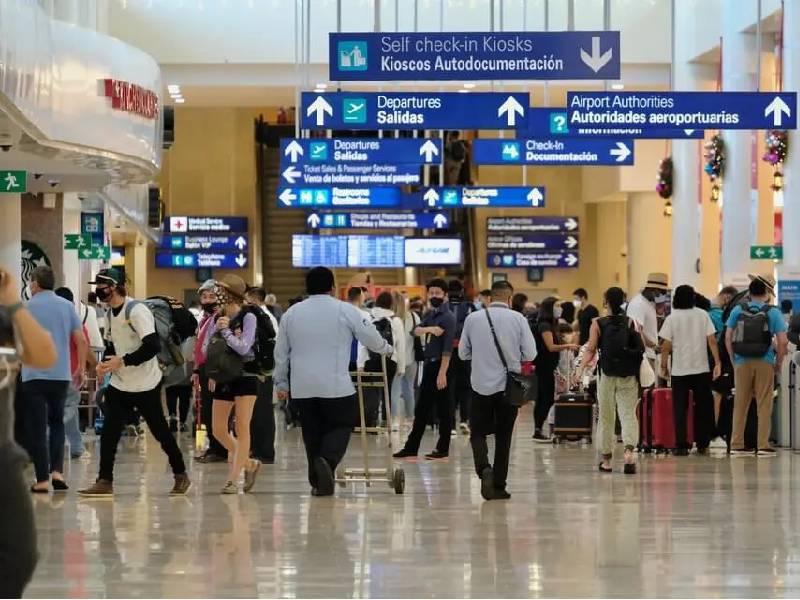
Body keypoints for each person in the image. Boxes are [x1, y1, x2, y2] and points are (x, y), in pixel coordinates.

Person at [273, 267, 392, 496]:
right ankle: (326, 461)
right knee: (342, 424)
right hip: (336, 385)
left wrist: (281, 384)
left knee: (312, 433)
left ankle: (319, 483)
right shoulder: (346, 310)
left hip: (302, 388)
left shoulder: (291, 314)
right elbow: (371, 338)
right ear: (332, 287)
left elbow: (281, 353)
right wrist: (385, 348)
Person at [78, 268, 190, 497]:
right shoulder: (109, 313)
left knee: (160, 431)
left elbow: (152, 346)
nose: (98, 291)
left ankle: (180, 474)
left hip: (146, 384)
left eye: (102, 287)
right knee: (109, 432)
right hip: (121, 383)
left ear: (115, 286)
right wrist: (105, 364)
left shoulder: (136, 311)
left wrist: (123, 361)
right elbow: (112, 345)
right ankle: (104, 480)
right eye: (97, 287)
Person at [0, 266, 57, 598]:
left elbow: (44, 355)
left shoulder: (6, 319)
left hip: (3, 456)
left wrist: (13, 303)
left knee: (19, 556)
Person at [459, 280, 537, 500]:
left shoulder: (473, 319)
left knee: (478, 433)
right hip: (509, 388)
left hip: (480, 386)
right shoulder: (519, 319)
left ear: (490, 298)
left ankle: (484, 469)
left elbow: (463, 353)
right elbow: (530, 354)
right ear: (510, 298)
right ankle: (499, 486)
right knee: (504, 437)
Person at [21, 267, 87, 493]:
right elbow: (80, 340)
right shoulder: (67, 306)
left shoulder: (26, 308)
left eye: (31, 282)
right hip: (60, 375)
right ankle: (57, 472)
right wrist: (80, 368)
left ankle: (41, 480)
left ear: (35, 284)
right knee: (57, 422)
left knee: (38, 427)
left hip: (33, 375)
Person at [579, 287, 644, 474]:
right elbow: (641, 344)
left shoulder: (597, 323)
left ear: (606, 302)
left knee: (606, 416)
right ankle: (629, 454)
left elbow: (591, 349)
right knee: (628, 414)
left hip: (606, 374)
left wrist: (582, 367)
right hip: (628, 375)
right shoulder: (631, 322)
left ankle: (607, 460)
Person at [209, 275, 263, 494]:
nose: (217, 294)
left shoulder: (249, 316)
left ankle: (233, 479)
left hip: (247, 375)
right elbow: (211, 346)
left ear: (231, 294)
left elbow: (244, 348)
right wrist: (217, 332)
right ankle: (249, 463)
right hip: (225, 375)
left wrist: (226, 331)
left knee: (242, 426)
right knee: (218, 429)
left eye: (221, 291)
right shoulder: (219, 315)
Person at [725, 275, 788, 457]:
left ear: (750, 293)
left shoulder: (738, 309)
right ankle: (762, 445)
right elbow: (782, 341)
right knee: (764, 404)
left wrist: (733, 359)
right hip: (764, 361)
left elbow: (728, 336)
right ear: (767, 293)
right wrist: (778, 363)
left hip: (741, 361)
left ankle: (737, 445)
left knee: (740, 404)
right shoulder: (773, 312)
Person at [394, 279, 457, 460]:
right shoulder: (431, 314)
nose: (434, 296)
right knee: (422, 409)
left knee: (445, 409)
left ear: (445, 295)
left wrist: (442, 373)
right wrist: (430, 328)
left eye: (437, 293)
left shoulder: (448, 318)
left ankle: (443, 449)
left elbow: (447, 349)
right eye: (431, 293)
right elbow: (415, 330)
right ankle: (411, 447)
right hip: (430, 365)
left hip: (442, 366)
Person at [659, 285, 722, 455]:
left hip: (679, 371)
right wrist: (717, 362)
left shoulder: (672, 318)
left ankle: (681, 445)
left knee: (680, 408)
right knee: (703, 406)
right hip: (701, 368)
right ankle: (702, 442)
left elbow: (666, 346)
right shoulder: (702, 315)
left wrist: (663, 366)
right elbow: (712, 341)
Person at [54, 287, 96, 460]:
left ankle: (77, 447)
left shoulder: (48, 322)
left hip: (49, 373)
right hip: (70, 373)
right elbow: (83, 345)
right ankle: (48, 431)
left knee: (71, 409)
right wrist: (92, 365)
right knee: (69, 407)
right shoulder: (74, 321)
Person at [532, 297, 579, 442]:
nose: (560, 308)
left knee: (545, 399)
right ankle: (537, 430)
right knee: (544, 399)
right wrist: (568, 346)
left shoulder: (552, 325)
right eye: (557, 306)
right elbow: (550, 347)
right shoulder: (545, 325)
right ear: (549, 308)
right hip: (544, 367)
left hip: (549, 366)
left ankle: (539, 429)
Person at [193, 279, 228, 463]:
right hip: (206, 369)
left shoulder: (220, 318)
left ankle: (220, 449)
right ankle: (214, 447)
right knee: (206, 410)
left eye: (211, 297)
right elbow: (201, 346)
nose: (207, 300)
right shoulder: (205, 319)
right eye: (204, 297)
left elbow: (218, 347)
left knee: (215, 412)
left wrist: (215, 373)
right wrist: (197, 370)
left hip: (215, 370)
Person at [359, 291, 405, 428]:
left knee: (370, 391)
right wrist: (401, 367)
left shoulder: (369, 317)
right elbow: (400, 345)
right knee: (388, 390)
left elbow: (363, 342)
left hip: (371, 359)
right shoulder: (395, 320)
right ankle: (387, 421)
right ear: (391, 304)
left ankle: (370, 421)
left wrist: (360, 363)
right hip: (389, 360)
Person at [245, 285, 279, 464]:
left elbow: (270, 346)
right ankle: (256, 448)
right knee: (256, 412)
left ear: (255, 299)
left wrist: (263, 370)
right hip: (258, 370)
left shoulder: (265, 318)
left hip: (263, 372)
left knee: (263, 411)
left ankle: (265, 452)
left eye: (247, 299)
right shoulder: (258, 316)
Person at [448, 279, 477, 434]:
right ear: (462, 292)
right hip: (466, 352)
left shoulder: (443, 307)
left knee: (450, 387)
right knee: (466, 387)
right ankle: (465, 420)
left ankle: (451, 425)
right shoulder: (469, 307)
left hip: (447, 352)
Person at [626, 273, 670, 372]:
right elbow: (636, 331)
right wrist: (654, 346)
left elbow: (650, 327)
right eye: (662, 293)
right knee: (646, 386)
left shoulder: (648, 303)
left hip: (649, 354)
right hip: (643, 356)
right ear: (655, 291)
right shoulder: (638, 304)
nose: (662, 296)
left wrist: (660, 309)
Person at [391, 291, 419, 430]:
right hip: (412, 358)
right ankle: (410, 418)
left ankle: (394, 420)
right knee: (409, 389)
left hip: (396, 359)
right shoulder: (414, 317)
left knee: (394, 390)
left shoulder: (391, 319)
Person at [348, 286, 370, 372]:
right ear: (360, 297)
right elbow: (364, 341)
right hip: (357, 357)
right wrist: (361, 363)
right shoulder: (365, 315)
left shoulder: (340, 314)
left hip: (342, 359)